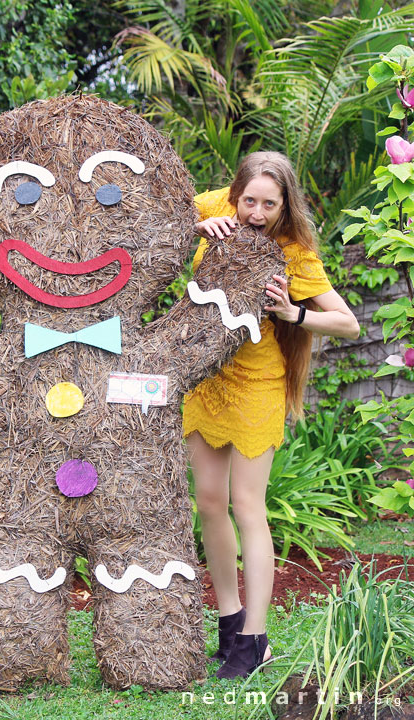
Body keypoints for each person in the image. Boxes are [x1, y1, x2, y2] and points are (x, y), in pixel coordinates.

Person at [183, 151, 360, 679]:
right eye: (248, 201)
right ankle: (229, 624)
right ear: (235, 193)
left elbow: (347, 323)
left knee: (246, 505)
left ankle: (256, 640)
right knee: (209, 503)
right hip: (207, 374)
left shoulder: (295, 251)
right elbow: (153, 221)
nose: (255, 213)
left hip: (258, 380)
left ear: (285, 205)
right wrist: (197, 222)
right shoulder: (216, 206)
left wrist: (293, 313)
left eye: (269, 204)